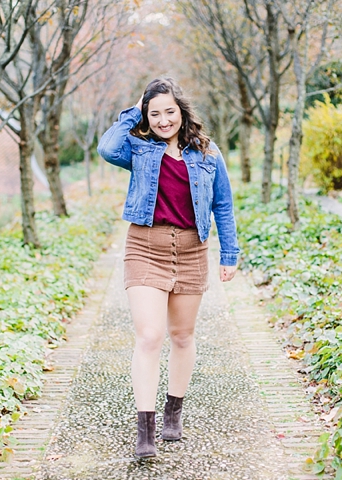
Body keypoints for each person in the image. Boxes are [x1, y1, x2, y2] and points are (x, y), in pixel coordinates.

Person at [97, 77, 240, 458]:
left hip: (193, 250)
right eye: (154, 113)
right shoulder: (139, 149)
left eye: (169, 112)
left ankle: (173, 412)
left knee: (182, 336)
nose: (163, 121)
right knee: (149, 335)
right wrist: (133, 110)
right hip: (146, 246)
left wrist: (230, 254)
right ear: (147, 115)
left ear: (182, 112)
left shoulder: (209, 154)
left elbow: (222, 206)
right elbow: (106, 147)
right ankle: (145, 429)